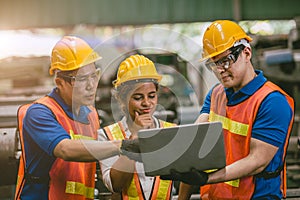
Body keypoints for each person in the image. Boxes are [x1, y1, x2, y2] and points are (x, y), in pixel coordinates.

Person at [163, 20, 295, 199]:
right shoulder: (216, 94)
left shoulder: (272, 102)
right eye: (213, 64)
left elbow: (257, 162)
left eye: (226, 60)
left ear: (246, 53)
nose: (220, 70)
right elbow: (195, 138)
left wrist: (207, 179)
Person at [14, 36, 139, 200]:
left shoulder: (91, 114)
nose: (91, 85)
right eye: (81, 79)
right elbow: (65, 149)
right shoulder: (39, 113)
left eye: (94, 75)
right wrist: (124, 145)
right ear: (59, 82)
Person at [98, 54, 176, 200]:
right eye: (138, 97)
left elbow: (188, 175)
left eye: (152, 96)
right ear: (121, 98)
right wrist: (134, 139)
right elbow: (116, 185)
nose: (147, 103)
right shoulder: (106, 136)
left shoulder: (170, 131)